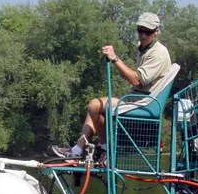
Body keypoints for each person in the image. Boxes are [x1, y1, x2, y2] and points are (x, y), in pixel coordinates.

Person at [50, 11, 172, 159]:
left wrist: (115, 58)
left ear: (156, 31)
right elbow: (130, 77)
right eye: (140, 30)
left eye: (148, 32)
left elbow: (136, 80)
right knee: (95, 110)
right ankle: (87, 150)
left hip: (145, 102)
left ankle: (95, 150)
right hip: (137, 97)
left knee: (95, 105)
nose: (143, 35)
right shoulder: (143, 49)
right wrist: (120, 67)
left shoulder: (159, 53)